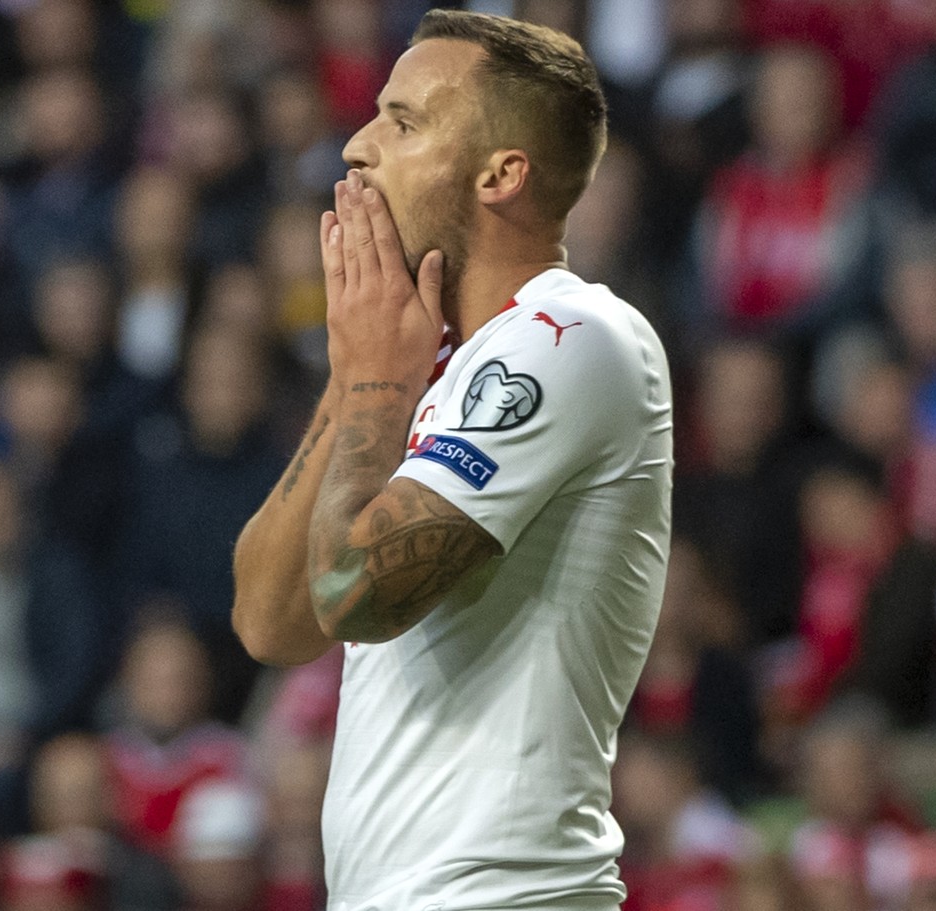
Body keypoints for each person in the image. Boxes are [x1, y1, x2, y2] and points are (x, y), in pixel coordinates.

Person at [232, 10, 673, 910]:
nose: (356, 147)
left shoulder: (572, 335)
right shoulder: (421, 365)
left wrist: (371, 389)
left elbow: (355, 590)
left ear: (502, 174)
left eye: (402, 122)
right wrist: (363, 372)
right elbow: (271, 622)